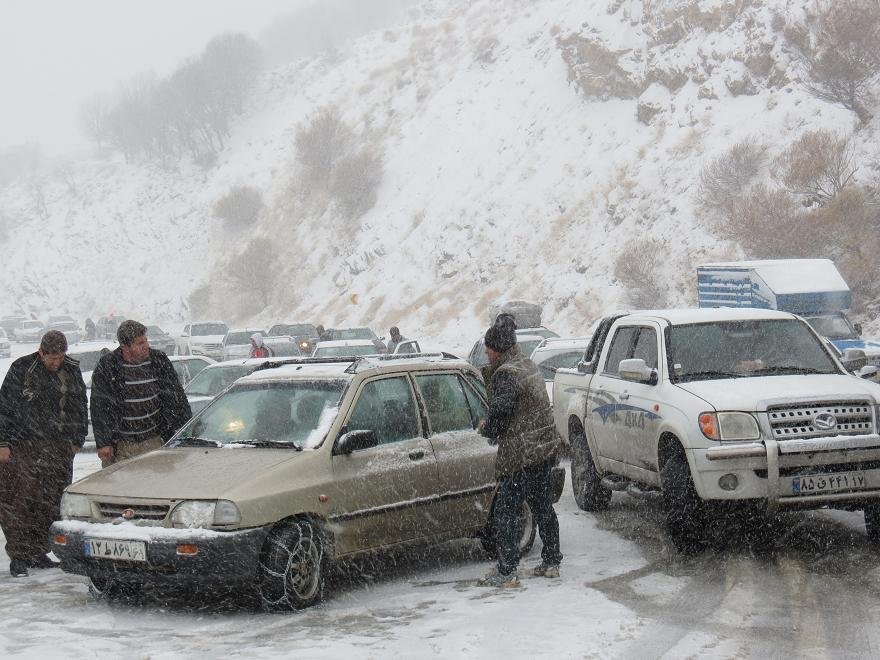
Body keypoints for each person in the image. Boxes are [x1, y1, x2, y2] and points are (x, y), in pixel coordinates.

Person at [477, 313, 562, 587]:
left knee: (506, 512)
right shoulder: (526, 364)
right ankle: (551, 561)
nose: (487, 354)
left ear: (497, 349)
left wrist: (486, 428)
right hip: (543, 449)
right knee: (542, 507)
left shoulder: (506, 374)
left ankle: (507, 570)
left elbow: (501, 410)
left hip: (522, 455)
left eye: (489, 349)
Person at [0, 330, 88, 577]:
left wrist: (77, 439)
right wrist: (3, 442)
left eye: (59, 357)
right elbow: (4, 406)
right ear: (41, 353)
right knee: (19, 503)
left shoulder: (71, 369)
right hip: (23, 446)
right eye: (51, 358)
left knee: (50, 503)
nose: (55, 362)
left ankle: (38, 551)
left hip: (59, 447)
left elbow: (80, 405)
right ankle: (18, 556)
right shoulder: (22, 368)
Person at [90, 320, 192, 467]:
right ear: (125, 347)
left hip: (155, 440)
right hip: (122, 445)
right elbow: (99, 407)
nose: (146, 346)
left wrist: (185, 428)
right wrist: (103, 442)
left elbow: (176, 396)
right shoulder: (108, 366)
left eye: (145, 341)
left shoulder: (158, 360)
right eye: (140, 343)